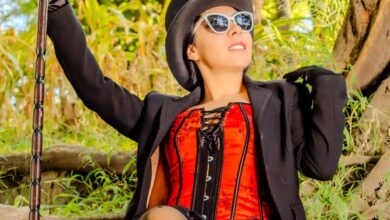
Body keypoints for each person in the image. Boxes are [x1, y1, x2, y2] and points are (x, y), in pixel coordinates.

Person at [46, 0, 348, 219]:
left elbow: (320, 166)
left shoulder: (280, 102)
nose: (235, 30)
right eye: (218, 23)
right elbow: (96, 89)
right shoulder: (163, 113)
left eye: (243, 22)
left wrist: (328, 85)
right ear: (192, 49)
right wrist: (58, 11)